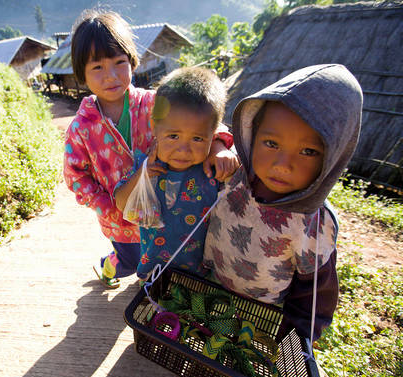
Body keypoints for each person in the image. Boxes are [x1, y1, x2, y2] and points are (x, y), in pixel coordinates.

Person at [64, 10, 238, 289]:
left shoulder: (157, 103)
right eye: (97, 67)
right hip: (119, 219)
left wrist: (218, 145)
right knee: (131, 261)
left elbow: (199, 120)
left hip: (167, 208)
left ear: (133, 61)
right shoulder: (81, 128)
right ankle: (108, 266)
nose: (110, 76)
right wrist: (110, 207)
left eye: (119, 63)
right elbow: (76, 178)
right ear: (81, 73)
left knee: (161, 260)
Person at [202, 64, 362, 341]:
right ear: (253, 135)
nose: (282, 165)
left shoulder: (313, 223)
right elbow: (199, 127)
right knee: (206, 345)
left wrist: (294, 344)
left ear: (333, 157)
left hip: (262, 316)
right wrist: (217, 146)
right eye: (271, 144)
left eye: (308, 151)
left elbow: (311, 300)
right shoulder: (236, 175)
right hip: (211, 291)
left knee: (236, 365)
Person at [114, 67, 227, 281]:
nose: (183, 150)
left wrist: (223, 150)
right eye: (173, 136)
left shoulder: (212, 171)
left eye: (197, 139)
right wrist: (143, 174)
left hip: (202, 277)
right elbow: (121, 202)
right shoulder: (144, 166)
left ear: (213, 135)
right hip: (153, 274)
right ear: (154, 127)